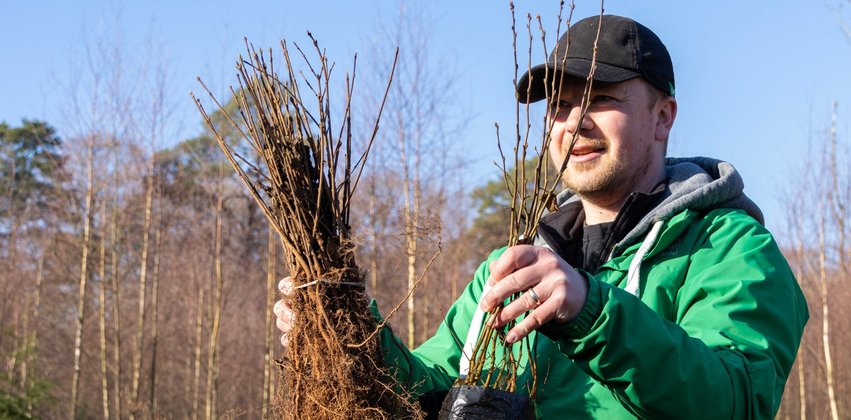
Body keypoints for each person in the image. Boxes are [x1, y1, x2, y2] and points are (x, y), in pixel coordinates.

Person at [275, 14, 807, 419]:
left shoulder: (730, 249)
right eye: (558, 105)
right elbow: (431, 382)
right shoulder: (513, 267)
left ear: (663, 116)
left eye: (601, 98)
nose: (574, 124)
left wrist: (589, 310)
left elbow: (737, 397)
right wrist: (348, 332)